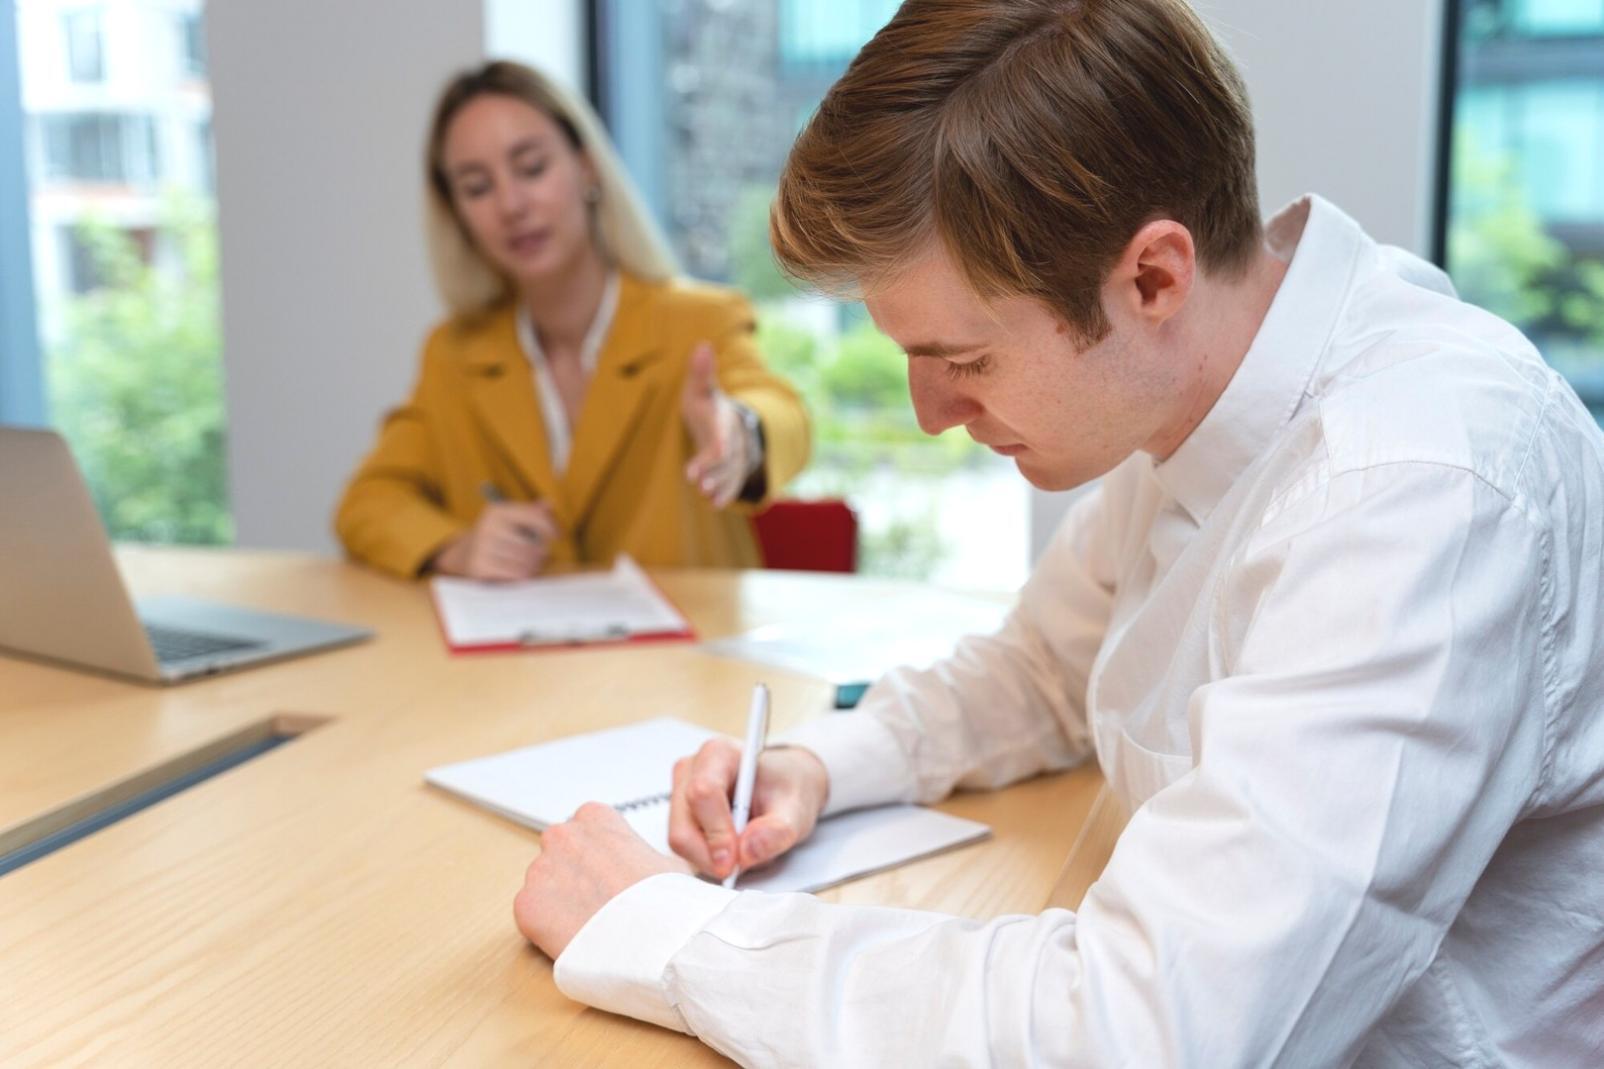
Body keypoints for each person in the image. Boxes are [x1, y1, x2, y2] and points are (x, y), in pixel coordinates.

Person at [512, 1, 1604, 1064]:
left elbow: (1149, 1031)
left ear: (1151, 277)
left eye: (965, 359)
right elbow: (1041, 670)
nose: (929, 411)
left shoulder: (1414, 492)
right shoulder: (1205, 388)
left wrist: (668, 932)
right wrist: (815, 766)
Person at [335, 61, 809, 580]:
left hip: (685, 656)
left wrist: (738, 432)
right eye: (476, 187)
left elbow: (784, 415)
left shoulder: (697, 320)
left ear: (586, 167)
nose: (511, 205)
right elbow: (368, 502)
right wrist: (457, 547)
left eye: (532, 168)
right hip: (522, 658)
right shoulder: (453, 354)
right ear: (457, 213)